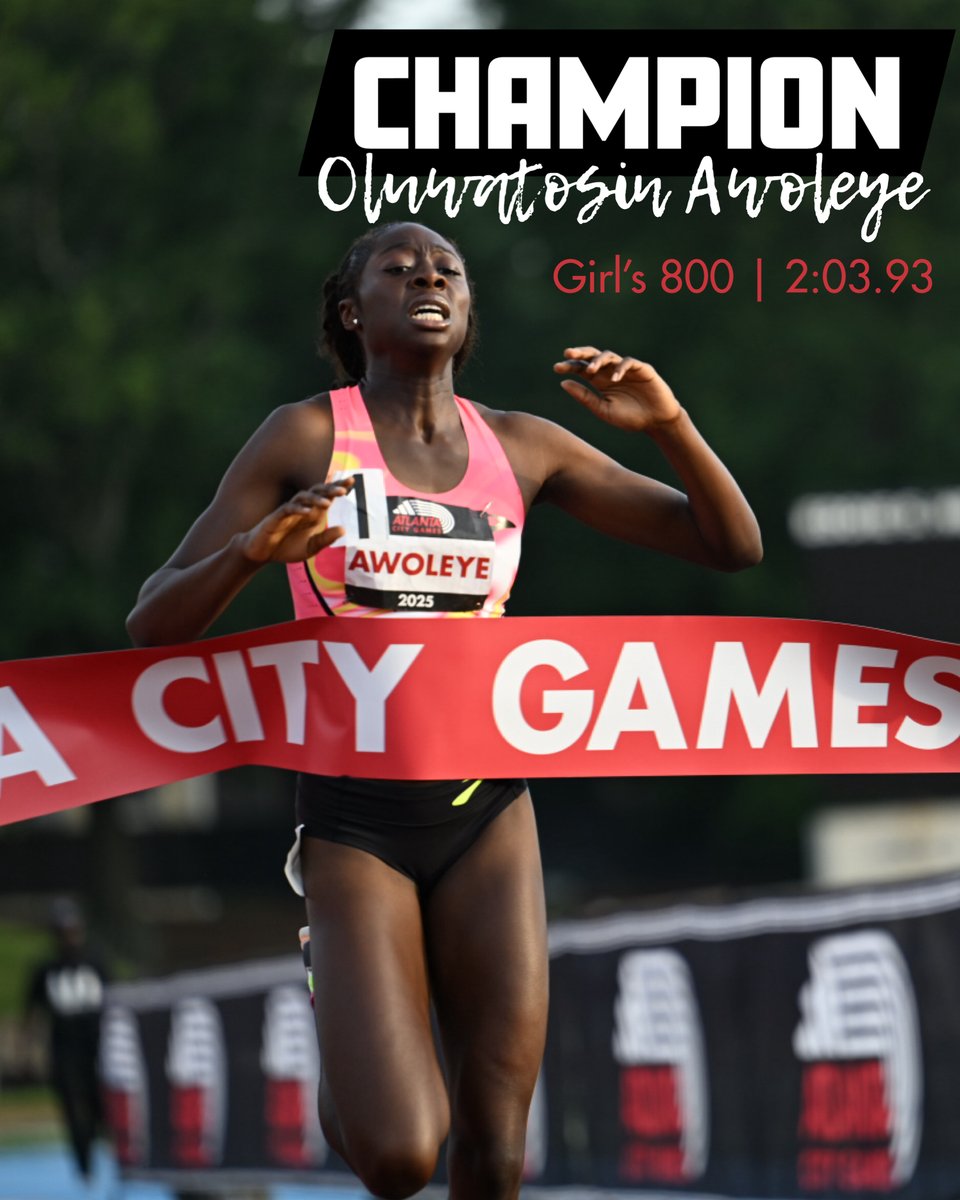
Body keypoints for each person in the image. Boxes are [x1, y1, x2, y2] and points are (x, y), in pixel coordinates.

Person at [126, 221, 762, 1200]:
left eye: (449, 270)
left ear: (467, 312)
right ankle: (329, 996)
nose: (430, 277)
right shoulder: (304, 435)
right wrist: (253, 552)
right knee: (398, 1157)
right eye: (401, 268)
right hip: (354, 819)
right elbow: (152, 623)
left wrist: (670, 423)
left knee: (496, 1153)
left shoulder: (523, 446)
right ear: (353, 310)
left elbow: (731, 546)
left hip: (489, 810)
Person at [25, 898, 110, 1182]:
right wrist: (31, 1050)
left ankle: (121, 1158)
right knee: (74, 1110)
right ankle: (84, 1166)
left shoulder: (95, 961)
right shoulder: (46, 970)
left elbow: (119, 1001)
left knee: (105, 1105)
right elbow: (33, 1013)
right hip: (65, 1052)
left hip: (99, 1047)